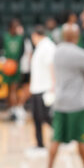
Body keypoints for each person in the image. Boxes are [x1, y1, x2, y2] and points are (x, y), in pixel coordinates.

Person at [42, 23, 84, 168]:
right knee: (82, 139)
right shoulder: (81, 54)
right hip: (78, 104)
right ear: (76, 37)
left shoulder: (56, 52)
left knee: (56, 138)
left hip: (60, 103)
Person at [28, 25, 56, 155]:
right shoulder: (40, 47)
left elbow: (52, 66)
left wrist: (53, 85)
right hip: (37, 88)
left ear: (36, 35)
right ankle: (39, 144)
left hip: (45, 88)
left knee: (46, 117)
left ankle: (64, 136)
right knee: (37, 118)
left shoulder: (48, 47)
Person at [0, 18, 25, 121]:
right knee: (8, 89)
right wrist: (2, 59)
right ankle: (10, 108)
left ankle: (14, 109)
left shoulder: (21, 38)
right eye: (15, 27)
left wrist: (16, 62)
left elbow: (22, 51)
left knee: (14, 88)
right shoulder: (4, 37)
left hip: (15, 66)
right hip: (7, 65)